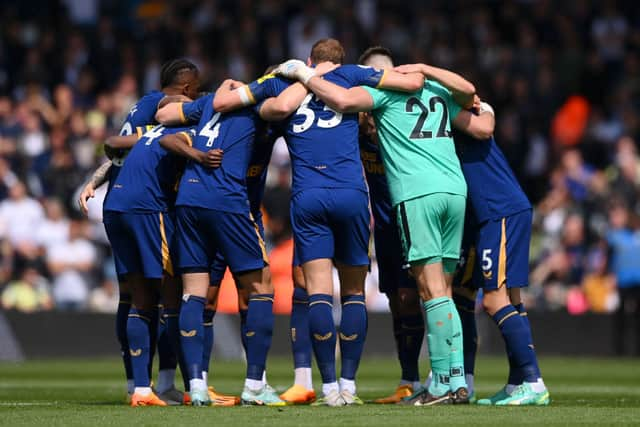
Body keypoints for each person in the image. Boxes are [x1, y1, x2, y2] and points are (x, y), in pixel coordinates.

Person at [211, 38, 423, 406]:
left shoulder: (282, 80)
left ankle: (326, 389)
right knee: (354, 291)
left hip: (308, 196)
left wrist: (289, 77)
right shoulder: (353, 75)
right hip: (352, 196)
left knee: (319, 292)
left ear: (309, 60)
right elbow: (411, 84)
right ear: (339, 62)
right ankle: (349, 386)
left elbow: (225, 103)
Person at [278, 59, 490, 405]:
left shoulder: (384, 96)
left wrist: (305, 75)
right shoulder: (437, 91)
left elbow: (343, 101)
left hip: (416, 192)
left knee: (429, 288)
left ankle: (441, 384)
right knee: (445, 289)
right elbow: (469, 92)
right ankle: (455, 378)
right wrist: (429, 68)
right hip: (455, 191)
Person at [77, 59, 201, 403]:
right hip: (146, 204)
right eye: (197, 91)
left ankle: (138, 385)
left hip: (117, 202)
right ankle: (177, 383)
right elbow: (174, 117)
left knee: (132, 295)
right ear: (188, 88)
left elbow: (118, 147)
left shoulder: (141, 114)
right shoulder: (162, 105)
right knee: (168, 292)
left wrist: (95, 180)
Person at [452, 96, 550, 406]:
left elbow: (485, 125)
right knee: (512, 299)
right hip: (498, 213)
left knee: (494, 301)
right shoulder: (455, 123)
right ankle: (516, 382)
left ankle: (534, 382)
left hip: (500, 212)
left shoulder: (466, 118)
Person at [354, 46, 424, 404]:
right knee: (397, 300)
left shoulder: (404, 116)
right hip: (383, 226)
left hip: (412, 217)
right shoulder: (354, 124)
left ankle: (438, 375)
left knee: (415, 297)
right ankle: (407, 378)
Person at [606, 199, 640, 356]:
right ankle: (619, 351)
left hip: (637, 281)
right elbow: (610, 258)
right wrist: (610, 275)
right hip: (622, 281)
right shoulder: (614, 236)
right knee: (620, 318)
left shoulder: (635, 235)